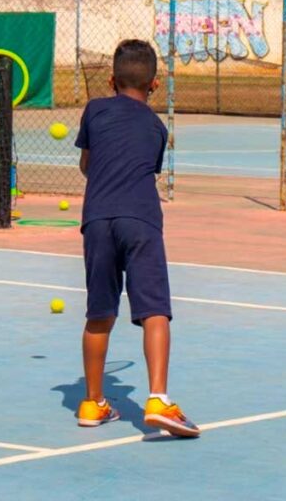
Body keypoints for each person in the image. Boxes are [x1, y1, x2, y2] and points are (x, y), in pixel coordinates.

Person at [74, 39, 200, 437]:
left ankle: (93, 403)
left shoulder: (93, 110)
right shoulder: (157, 128)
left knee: (99, 313)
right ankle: (159, 400)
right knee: (155, 310)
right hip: (141, 220)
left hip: (96, 220)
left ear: (111, 80)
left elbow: (87, 167)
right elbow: (144, 166)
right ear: (155, 85)